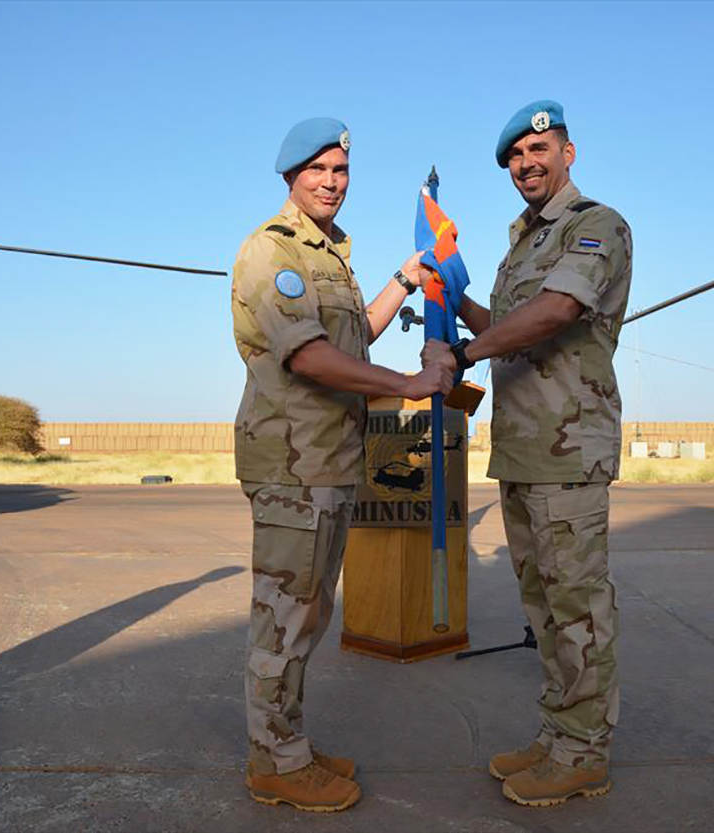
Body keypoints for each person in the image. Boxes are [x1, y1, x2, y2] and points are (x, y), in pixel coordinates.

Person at [232, 116, 452, 813]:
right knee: (284, 619)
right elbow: (310, 357)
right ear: (290, 176)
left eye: (341, 171)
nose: (331, 182)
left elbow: (354, 339)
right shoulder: (273, 251)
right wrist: (408, 384)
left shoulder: (330, 256)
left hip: (328, 463)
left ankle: (287, 744)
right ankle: (275, 762)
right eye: (318, 170)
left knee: (307, 615)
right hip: (293, 467)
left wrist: (403, 280)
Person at [423, 100, 632, 807]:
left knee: (577, 605)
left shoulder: (595, 226)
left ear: (567, 152)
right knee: (543, 604)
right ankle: (557, 735)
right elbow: (509, 324)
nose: (525, 163)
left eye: (538, 149)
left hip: (568, 450)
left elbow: (556, 312)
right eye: (514, 157)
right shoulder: (522, 242)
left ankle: (585, 752)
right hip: (521, 449)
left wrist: (462, 353)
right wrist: (454, 298)